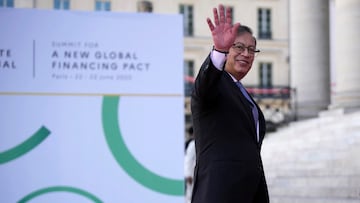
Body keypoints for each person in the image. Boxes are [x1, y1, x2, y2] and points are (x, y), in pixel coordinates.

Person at [190, 4, 269, 203]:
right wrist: (219, 51)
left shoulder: (242, 94)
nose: (246, 54)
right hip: (219, 192)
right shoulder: (215, 85)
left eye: (251, 49)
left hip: (249, 192)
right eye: (239, 47)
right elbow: (204, 86)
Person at [184, 126, 196, 203]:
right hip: (191, 175)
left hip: (196, 173)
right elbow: (188, 159)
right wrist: (188, 174)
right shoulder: (192, 144)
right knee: (190, 196)